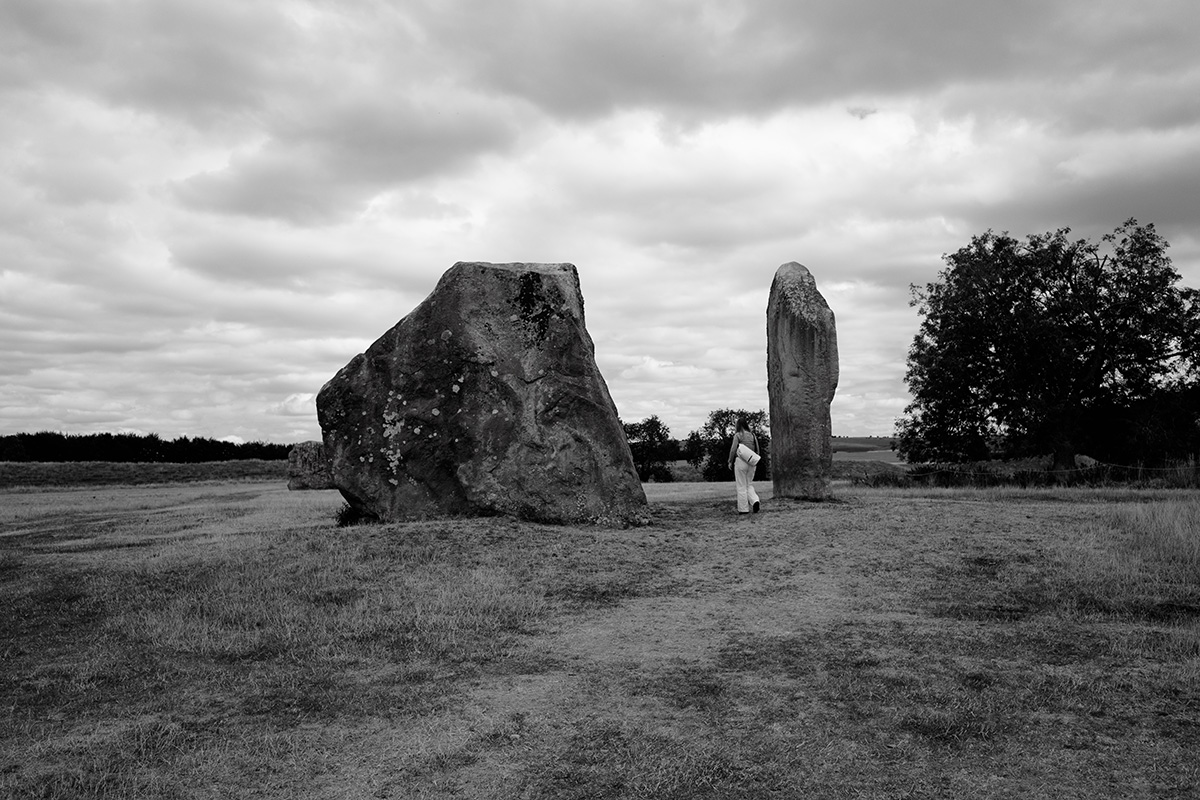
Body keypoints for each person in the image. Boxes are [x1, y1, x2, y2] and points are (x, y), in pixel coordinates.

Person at [726, 416, 761, 514]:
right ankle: (755, 501)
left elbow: (733, 449)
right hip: (752, 462)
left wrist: (730, 461)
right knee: (748, 484)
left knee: (741, 485)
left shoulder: (738, 435)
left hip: (741, 461)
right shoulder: (752, 435)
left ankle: (743, 509)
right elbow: (757, 450)